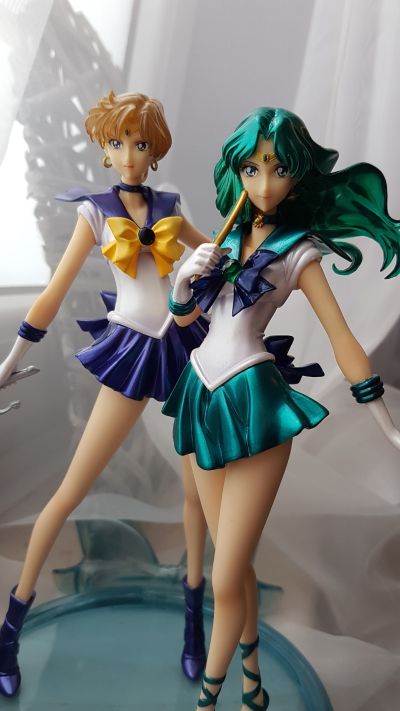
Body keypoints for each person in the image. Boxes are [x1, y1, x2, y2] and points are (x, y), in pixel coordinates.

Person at [162, 107, 400, 710]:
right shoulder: (223, 240)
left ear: (297, 175)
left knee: (225, 575)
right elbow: (187, 322)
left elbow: (342, 336)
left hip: (255, 405)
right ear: (236, 172)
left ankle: (207, 700)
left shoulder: (299, 252)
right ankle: (253, 684)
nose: (264, 184)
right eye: (252, 169)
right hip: (201, 395)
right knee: (232, 564)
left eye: (278, 169)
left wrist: (386, 423)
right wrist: (184, 282)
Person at [0, 91, 209, 697]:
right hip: (133, 351)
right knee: (70, 491)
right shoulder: (94, 211)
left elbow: (213, 256)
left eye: (139, 144)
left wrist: (223, 262)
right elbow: (55, 291)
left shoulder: (171, 204)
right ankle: (10, 629)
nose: (129, 155)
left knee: (195, 495)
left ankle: (193, 624)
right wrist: (12, 359)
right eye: (117, 143)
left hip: (184, 348)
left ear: (154, 149)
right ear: (103, 148)